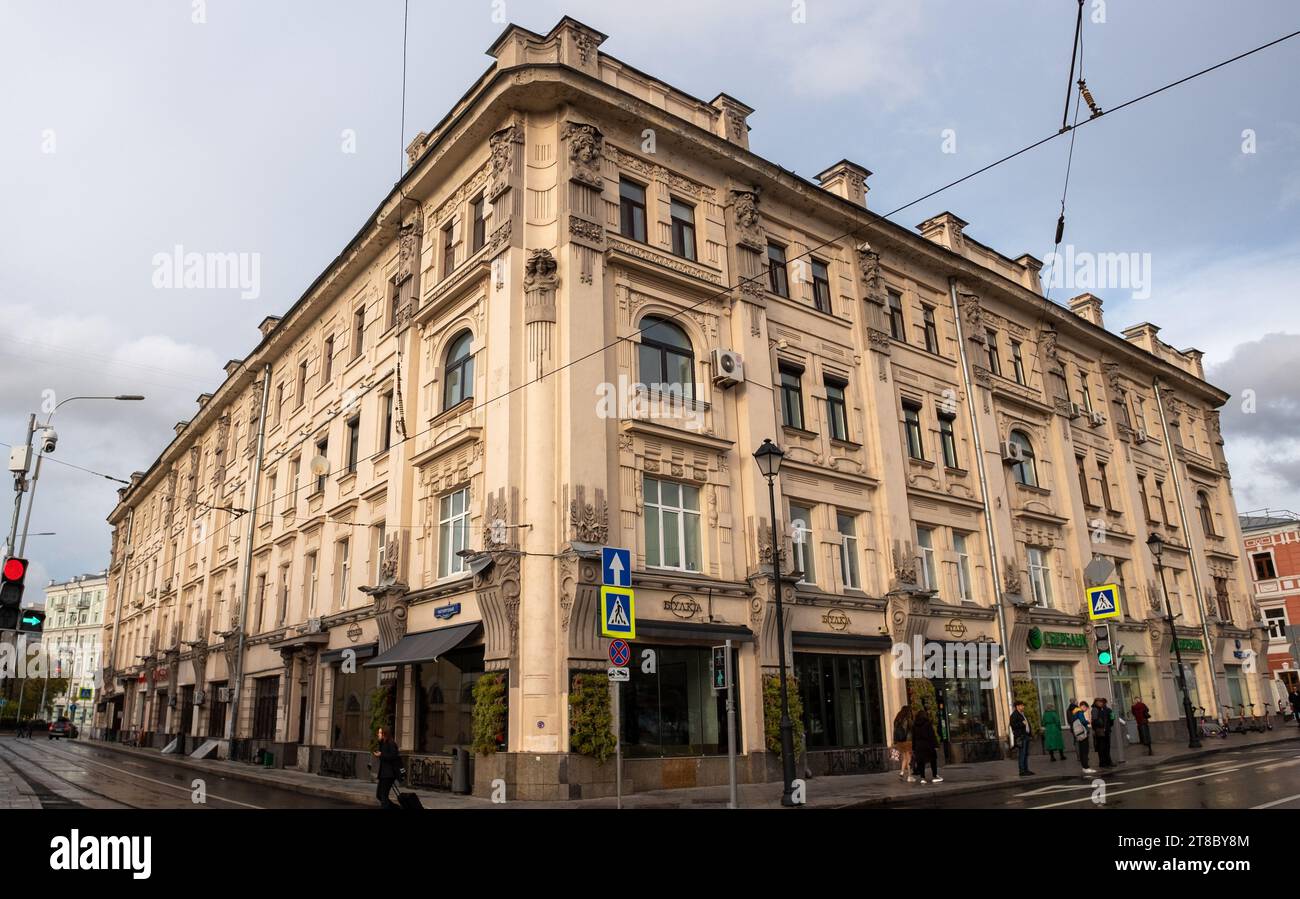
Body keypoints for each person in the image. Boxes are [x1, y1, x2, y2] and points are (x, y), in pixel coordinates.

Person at [372, 726, 402, 809]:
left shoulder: (391, 743)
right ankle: (398, 808)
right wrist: (380, 754)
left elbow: (393, 756)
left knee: (384, 797)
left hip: (389, 774)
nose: (378, 734)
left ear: (385, 734)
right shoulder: (383, 743)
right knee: (379, 795)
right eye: (378, 733)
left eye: (380, 733)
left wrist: (381, 754)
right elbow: (385, 756)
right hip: (383, 774)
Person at [911, 709, 943, 784]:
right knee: (933, 760)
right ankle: (934, 775)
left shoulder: (914, 725)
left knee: (920, 762)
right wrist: (936, 745)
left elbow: (913, 738)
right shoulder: (928, 724)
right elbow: (932, 735)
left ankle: (923, 778)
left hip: (918, 746)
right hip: (928, 745)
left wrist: (913, 748)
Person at [1010, 699, 1034, 776]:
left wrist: (1030, 733)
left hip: (1026, 736)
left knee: (1026, 754)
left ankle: (1026, 769)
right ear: (1017, 706)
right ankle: (1022, 770)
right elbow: (1013, 725)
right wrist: (1022, 723)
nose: (1023, 706)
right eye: (1021, 705)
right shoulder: (1014, 715)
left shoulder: (1022, 714)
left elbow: (1027, 724)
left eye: (1023, 705)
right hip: (1021, 737)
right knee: (1022, 754)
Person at [892, 705, 915, 783]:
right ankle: (909, 776)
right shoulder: (907, 719)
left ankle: (901, 773)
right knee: (909, 758)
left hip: (899, 742)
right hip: (907, 741)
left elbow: (894, 731)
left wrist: (895, 741)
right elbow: (912, 728)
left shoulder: (897, 719)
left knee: (904, 757)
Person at [1072, 700, 1095, 775]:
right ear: (1083, 706)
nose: (1086, 710)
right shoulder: (1079, 712)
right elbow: (1082, 721)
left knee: (1082, 750)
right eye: (1086, 708)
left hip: (1078, 734)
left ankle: (1084, 767)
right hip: (1083, 734)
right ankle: (1086, 767)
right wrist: (1087, 721)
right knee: (1084, 751)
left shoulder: (1075, 712)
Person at [1091, 698, 1114, 768]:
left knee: (1107, 747)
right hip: (1100, 731)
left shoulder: (1103, 709)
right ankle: (1103, 763)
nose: (1101, 703)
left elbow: (1109, 718)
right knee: (1102, 747)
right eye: (1100, 702)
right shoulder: (1095, 709)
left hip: (1106, 730)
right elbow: (1094, 721)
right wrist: (1101, 724)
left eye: (1102, 702)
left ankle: (1108, 762)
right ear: (1096, 703)